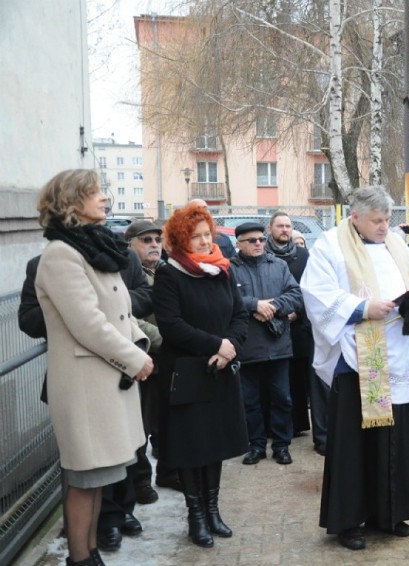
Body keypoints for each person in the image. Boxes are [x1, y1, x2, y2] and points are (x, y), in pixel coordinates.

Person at [301, 186, 409, 551]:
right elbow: (316, 293)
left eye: (387, 219)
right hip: (358, 355)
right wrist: (361, 309)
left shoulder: (395, 243)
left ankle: (389, 512)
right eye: (377, 220)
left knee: (394, 436)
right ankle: (350, 521)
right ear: (355, 216)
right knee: (354, 442)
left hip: (397, 354)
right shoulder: (330, 245)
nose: (384, 226)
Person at [33, 169, 153, 566]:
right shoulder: (61, 255)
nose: (106, 197)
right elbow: (89, 325)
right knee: (85, 481)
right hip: (87, 390)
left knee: (99, 479)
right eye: (96, 192)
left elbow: (120, 311)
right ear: (71, 202)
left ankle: (91, 552)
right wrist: (136, 360)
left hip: (106, 383)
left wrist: (141, 342)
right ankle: (81, 558)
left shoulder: (93, 247)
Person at [153, 203, 249, 548]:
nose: (206, 241)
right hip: (187, 373)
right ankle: (196, 517)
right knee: (191, 446)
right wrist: (216, 345)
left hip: (221, 370)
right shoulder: (170, 273)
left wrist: (230, 347)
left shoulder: (223, 270)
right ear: (182, 239)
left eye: (208, 234)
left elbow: (239, 315)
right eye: (197, 237)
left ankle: (213, 510)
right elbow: (172, 326)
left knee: (216, 444)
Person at [231, 222, 303, 466]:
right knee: (250, 401)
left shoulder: (279, 265)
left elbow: (296, 295)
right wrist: (254, 305)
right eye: (252, 240)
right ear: (238, 243)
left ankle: (282, 445)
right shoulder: (230, 270)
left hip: (277, 345)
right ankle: (257, 445)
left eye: (261, 239)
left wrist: (272, 307)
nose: (259, 243)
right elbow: (226, 300)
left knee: (282, 398)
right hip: (246, 346)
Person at [266, 212, 329, 456]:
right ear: (270, 228)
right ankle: (279, 430)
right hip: (272, 326)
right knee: (280, 381)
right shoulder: (265, 256)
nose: (284, 229)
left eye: (288, 226)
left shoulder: (303, 255)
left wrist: (296, 312)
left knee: (304, 380)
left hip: (301, 325)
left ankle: (305, 426)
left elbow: (310, 289)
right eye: (280, 225)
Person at [124, 219, 170, 503]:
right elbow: (129, 318)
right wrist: (164, 339)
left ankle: (168, 471)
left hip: (168, 359)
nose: (154, 245)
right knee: (140, 424)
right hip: (141, 359)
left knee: (167, 421)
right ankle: (141, 482)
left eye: (157, 239)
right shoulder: (126, 273)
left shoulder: (166, 271)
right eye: (146, 240)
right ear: (130, 245)